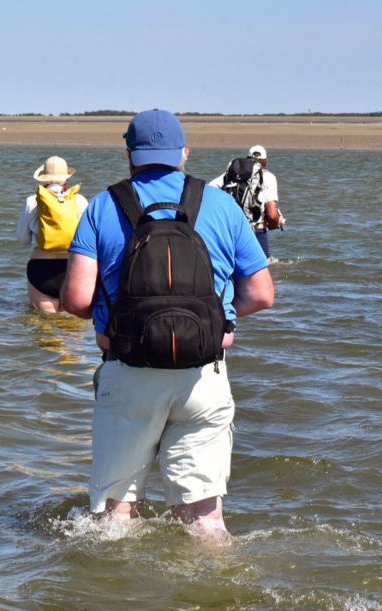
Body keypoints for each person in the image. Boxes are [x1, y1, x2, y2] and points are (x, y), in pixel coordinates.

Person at [61, 110, 275, 537]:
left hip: (128, 371)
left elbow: (76, 299)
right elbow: (262, 294)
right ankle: (213, 596)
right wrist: (217, 317)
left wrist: (117, 315)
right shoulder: (219, 205)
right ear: (184, 153)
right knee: (203, 520)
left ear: (129, 155)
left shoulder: (103, 206)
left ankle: (115, 600)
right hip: (203, 375)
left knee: (114, 516)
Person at [16, 156, 88, 313]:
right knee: (73, 329)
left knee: (45, 329)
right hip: (73, 268)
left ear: (43, 179)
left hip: (41, 269)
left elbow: (22, 239)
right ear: (66, 178)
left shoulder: (32, 201)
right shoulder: (79, 200)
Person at [209, 144, 282, 257]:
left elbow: (209, 189)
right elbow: (272, 215)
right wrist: (276, 223)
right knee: (260, 271)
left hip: (231, 230)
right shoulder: (268, 177)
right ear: (265, 162)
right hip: (256, 232)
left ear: (246, 159)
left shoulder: (231, 174)